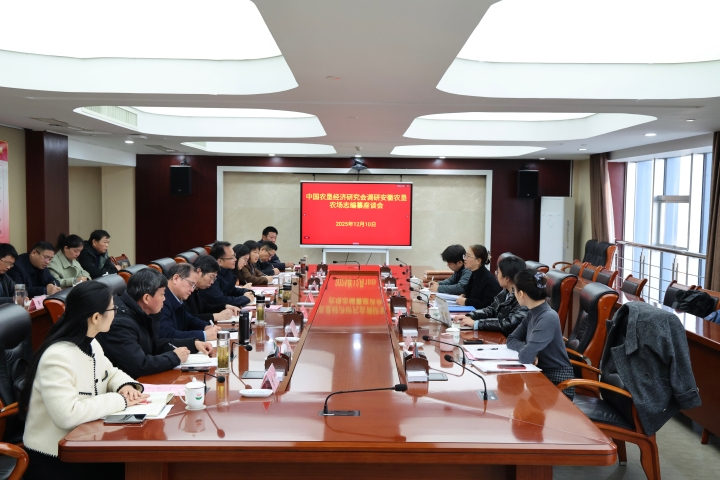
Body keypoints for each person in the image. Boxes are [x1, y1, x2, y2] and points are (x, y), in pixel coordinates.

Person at [19, 281, 149, 479]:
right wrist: (120, 400)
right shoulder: (57, 357)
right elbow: (67, 415)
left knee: (137, 464)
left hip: (86, 441)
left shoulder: (92, 343)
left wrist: (126, 386)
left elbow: (110, 372)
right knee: (134, 468)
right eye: (113, 309)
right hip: (56, 456)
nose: (116, 313)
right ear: (96, 317)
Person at [96, 268, 213, 379]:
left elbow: (154, 344)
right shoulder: (120, 323)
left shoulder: (141, 311)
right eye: (162, 294)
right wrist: (175, 357)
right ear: (146, 298)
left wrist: (193, 344)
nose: (164, 299)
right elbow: (139, 365)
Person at [506, 269, 574, 398]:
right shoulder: (532, 312)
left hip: (557, 382)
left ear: (521, 293)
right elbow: (511, 339)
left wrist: (528, 351)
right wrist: (526, 348)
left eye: (514, 290)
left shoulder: (548, 317)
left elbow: (525, 357)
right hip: (538, 375)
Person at [456, 254, 528, 337]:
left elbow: (509, 324)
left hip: (510, 340)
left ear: (507, 278)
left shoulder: (522, 298)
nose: (496, 275)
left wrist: (477, 324)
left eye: (498, 272)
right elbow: (491, 310)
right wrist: (471, 315)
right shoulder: (505, 292)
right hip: (499, 335)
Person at [157, 263, 222, 341]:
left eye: (194, 286)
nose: (192, 290)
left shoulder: (176, 297)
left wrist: (206, 327)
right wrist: (204, 335)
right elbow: (167, 334)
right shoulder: (162, 300)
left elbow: (188, 319)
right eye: (191, 284)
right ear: (176, 278)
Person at [200, 241, 254, 309]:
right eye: (232, 257)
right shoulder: (212, 277)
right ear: (220, 261)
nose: (235, 259)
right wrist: (245, 298)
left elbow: (231, 290)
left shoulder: (228, 270)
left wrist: (246, 291)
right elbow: (220, 300)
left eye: (234, 255)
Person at [187, 255, 241, 322]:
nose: (212, 282)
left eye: (214, 278)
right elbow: (187, 319)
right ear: (199, 272)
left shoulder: (198, 289)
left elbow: (205, 308)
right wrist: (215, 317)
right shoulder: (186, 290)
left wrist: (225, 306)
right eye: (211, 277)